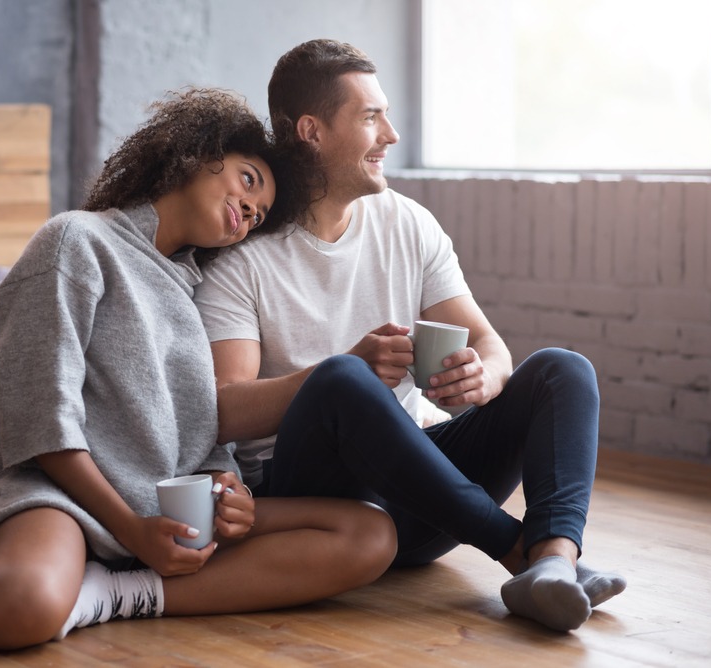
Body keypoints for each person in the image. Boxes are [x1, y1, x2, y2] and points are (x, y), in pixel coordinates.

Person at [0, 88, 397, 650]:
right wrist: (131, 527)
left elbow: (199, 426)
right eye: (248, 180)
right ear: (201, 151)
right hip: (63, 494)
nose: (248, 213)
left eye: (258, 216)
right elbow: (39, 418)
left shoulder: (196, 287)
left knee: (370, 535)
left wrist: (228, 497)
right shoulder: (75, 241)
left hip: (168, 510)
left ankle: (109, 598)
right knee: (19, 609)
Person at [194, 41, 626, 632]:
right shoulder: (243, 258)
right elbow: (223, 410)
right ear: (311, 131)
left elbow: (492, 345)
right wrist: (341, 368)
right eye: (370, 117)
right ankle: (517, 548)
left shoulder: (407, 222)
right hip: (320, 509)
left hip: (424, 503)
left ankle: (551, 563)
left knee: (562, 369)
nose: (391, 134)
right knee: (342, 378)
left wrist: (485, 374)